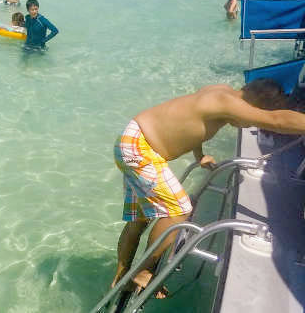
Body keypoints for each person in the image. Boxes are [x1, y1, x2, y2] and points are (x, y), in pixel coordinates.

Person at [110, 79, 305, 296]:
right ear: (254, 106)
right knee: (180, 210)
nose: (249, 124)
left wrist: (199, 155)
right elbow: (277, 120)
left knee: (140, 220)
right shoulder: (227, 103)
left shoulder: (221, 93)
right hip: (140, 150)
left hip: (133, 141)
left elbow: (187, 120)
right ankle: (143, 270)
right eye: (251, 120)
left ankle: (122, 274)